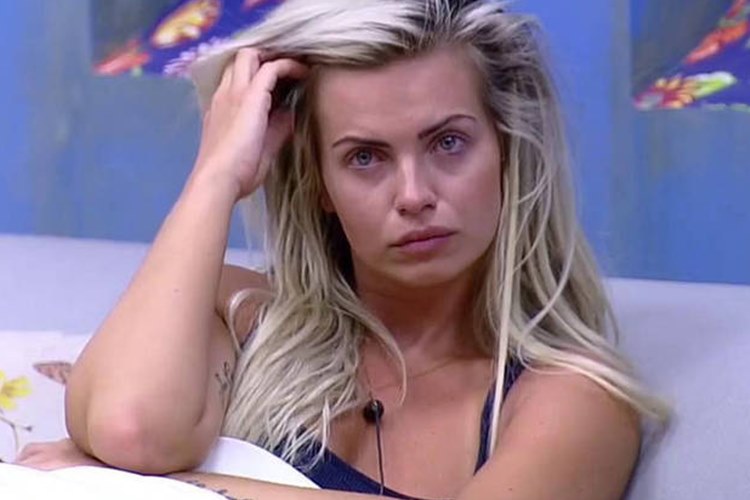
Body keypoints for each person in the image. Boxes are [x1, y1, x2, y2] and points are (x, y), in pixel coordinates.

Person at [16, 0, 670, 498]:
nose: (414, 195)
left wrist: (167, 487)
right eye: (365, 157)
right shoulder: (241, 317)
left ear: (506, 150)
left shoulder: (574, 399)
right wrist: (216, 176)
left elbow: (128, 467)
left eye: (448, 143)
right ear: (319, 185)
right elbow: (132, 430)